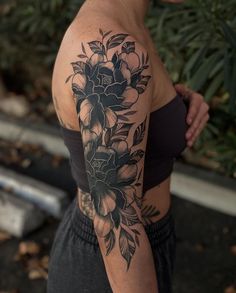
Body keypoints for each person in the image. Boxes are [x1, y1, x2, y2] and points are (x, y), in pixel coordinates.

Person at [47, 0, 210, 292]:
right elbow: (117, 223)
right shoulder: (109, 49)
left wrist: (172, 108)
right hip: (113, 266)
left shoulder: (125, 27)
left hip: (138, 249)